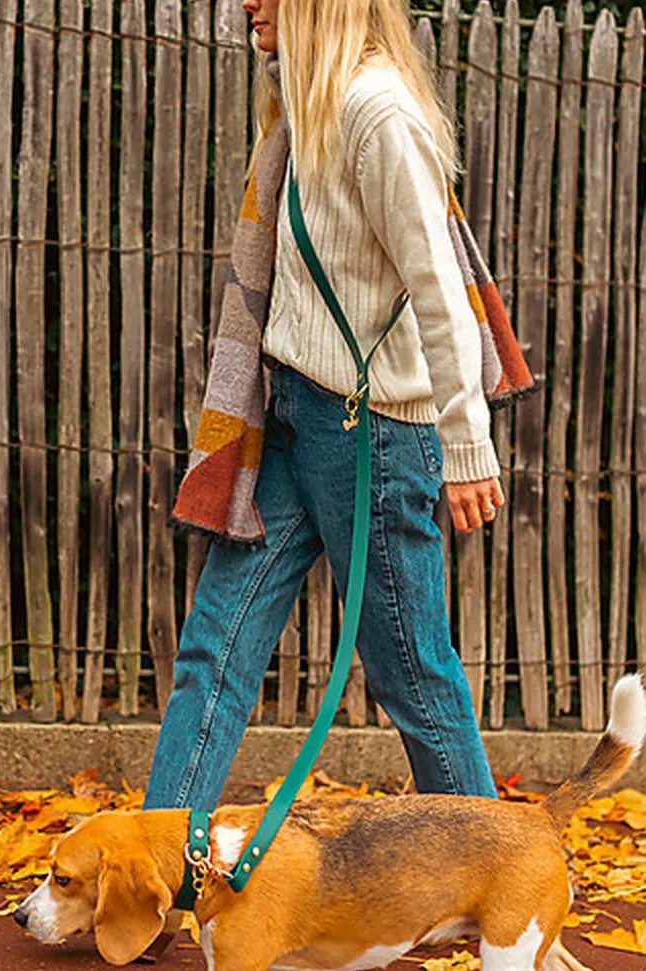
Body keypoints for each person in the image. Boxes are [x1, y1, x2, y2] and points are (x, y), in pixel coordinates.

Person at [144, 0, 505, 822]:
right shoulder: (307, 105)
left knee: (412, 675)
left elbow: (440, 293)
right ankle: (162, 863)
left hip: (372, 437)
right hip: (297, 418)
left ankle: (496, 875)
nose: (248, 4)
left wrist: (466, 446)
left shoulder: (377, 114)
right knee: (214, 647)